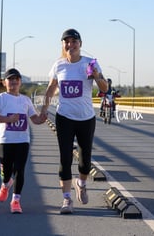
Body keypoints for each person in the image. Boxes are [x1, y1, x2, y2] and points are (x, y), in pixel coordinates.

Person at [40, 29, 108, 214]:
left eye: (73, 41)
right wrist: (44, 110)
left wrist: (96, 75)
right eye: (66, 42)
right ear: (63, 45)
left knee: (85, 161)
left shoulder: (90, 63)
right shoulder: (59, 65)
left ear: (80, 44)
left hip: (86, 118)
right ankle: (67, 199)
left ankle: (82, 183)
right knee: (65, 158)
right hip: (64, 117)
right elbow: (50, 89)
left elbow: (104, 88)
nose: (70, 45)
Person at [0, 68, 46, 214]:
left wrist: (42, 119)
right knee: (7, 172)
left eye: (16, 79)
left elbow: (34, 118)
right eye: (10, 79)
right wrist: (8, 119)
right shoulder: (1, 98)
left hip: (23, 140)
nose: (14, 81)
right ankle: (5, 184)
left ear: (20, 82)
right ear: (4, 82)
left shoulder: (26, 100)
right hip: (5, 140)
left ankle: (16, 201)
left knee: (20, 170)